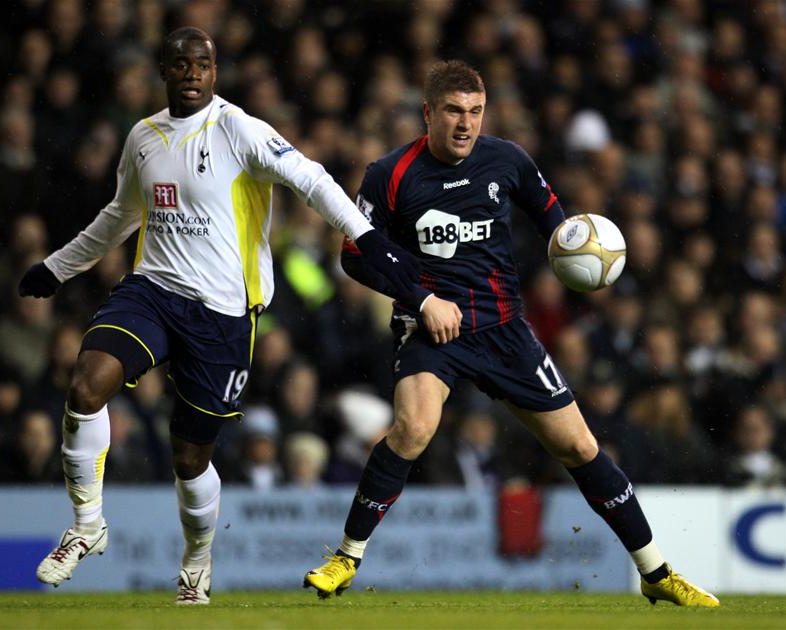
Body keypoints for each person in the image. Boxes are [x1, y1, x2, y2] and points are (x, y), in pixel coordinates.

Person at [17, 27, 418, 606]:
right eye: (180, 64)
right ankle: (86, 524)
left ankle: (197, 559)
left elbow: (310, 178)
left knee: (190, 458)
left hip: (223, 314)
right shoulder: (143, 136)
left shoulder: (240, 129)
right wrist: (57, 268)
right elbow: (120, 214)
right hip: (153, 291)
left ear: (214, 72)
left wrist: (368, 237)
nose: (191, 73)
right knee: (85, 385)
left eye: (201, 64)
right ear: (164, 71)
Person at [303, 60, 719, 607]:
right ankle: (346, 558)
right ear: (428, 112)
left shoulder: (508, 160)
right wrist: (422, 300)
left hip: (504, 330)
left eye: (475, 111)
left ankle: (655, 571)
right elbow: (355, 257)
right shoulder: (390, 174)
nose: (465, 123)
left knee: (580, 446)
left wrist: (581, 252)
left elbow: (556, 226)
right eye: (453, 111)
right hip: (432, 328)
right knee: (413, 428)